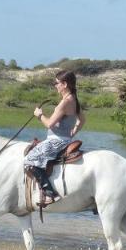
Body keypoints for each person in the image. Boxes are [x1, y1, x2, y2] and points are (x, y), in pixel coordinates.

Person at [25, 69, 85, 206]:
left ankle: (50, 193)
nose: (55, 85)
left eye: (56, 83)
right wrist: (74, 130)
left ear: (64, 84)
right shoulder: (74, 100)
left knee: (29, 160)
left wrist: (39, 115)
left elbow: (49, 124)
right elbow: (82, 120)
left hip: (56, 141)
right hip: (65, 140)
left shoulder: (64, 103)